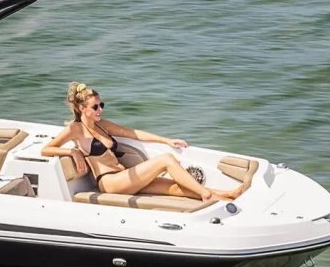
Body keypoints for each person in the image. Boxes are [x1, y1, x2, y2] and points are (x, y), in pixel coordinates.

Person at [41, 82, 242, 201]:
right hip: (110, 182)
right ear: (81, 109)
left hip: (124, 176)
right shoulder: (75, 129)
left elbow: (133, 133)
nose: (100, 110)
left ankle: (227, 195)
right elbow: (47, 149)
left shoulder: (102, 125)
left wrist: (166, 140)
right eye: (95, 107)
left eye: (101, 105)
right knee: (166, 160)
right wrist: (73, 151)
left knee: (174, 188)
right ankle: (207, 195)